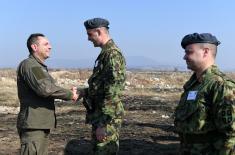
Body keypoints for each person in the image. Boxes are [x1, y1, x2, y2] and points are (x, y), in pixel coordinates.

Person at [17, 33, 78, 155]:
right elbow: (45, 89)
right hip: (34, 126)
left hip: (39, 124)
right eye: (46, 44)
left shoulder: (37, 66)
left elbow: (47, 87)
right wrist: (70, 95)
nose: (50, 47)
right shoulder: (31, 65)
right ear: (34, 47)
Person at [174, 33, 235, 154]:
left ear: (205, 52)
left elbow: (230, 134)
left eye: (189, 52)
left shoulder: (221, 86)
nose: (184, 57)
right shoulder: (193, 84)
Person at [78, 17, 126, 155]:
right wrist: (84, 92)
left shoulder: (112, 54)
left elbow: (113, 91)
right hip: (101, 115)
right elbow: (101, 86)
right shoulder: (105, 53)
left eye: (89, 34)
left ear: (99, 32)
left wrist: (103, 124)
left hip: (106, 119)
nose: (88, 39)